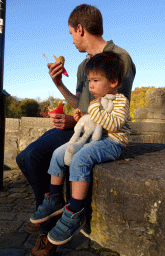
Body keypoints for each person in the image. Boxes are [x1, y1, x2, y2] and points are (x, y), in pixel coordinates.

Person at [15, 4, 136, 255]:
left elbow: (113, 110)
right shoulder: (83, 67)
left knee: (35, 156)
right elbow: (79, 103)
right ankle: (51, 206)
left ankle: (48, 229)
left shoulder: (118, 58)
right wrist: (59, 85)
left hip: (101, 132)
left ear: (80, 29)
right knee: (24, 157)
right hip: (80, 126)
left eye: (71, 33)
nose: (71, 40)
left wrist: (80, 120)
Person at [29, 51, 132, 253]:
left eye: (95, 80)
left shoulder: (121, 101)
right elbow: (93, 120)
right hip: (96, 138)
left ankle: (75, 211)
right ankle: (54, 198)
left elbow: (113, 123)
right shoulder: (96, 102)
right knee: (60, 152)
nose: (90, 85)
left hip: (113, 142)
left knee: (80, 160)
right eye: (89, 80)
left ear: (113, 81)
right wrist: (81, 116)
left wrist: (92, 111)